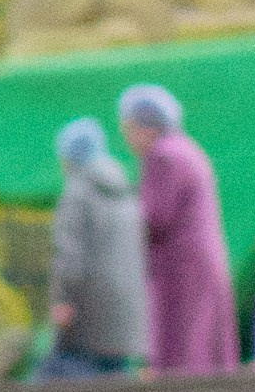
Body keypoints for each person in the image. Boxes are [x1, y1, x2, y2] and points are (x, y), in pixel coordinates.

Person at [119, 82, 239, 372]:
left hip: (181, 266)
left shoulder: (163, 156)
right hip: (200, 260)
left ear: (146, 127)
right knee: (206, 342)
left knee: (184, 345)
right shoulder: (186, 150)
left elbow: (154, 217)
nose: (127, 139)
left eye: (128, 129)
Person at [44, 115, 147, 375]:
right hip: (126, 314)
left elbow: (69, 256)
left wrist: (63, 300)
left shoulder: (77, 193)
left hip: (88, 314)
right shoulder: (123, 189)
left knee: (69, 390)